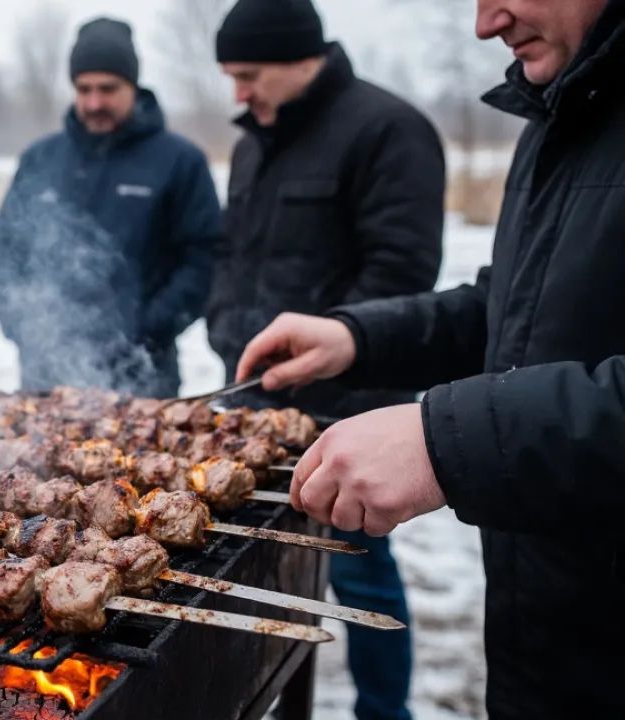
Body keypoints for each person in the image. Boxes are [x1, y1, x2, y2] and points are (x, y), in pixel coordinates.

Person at [234, 1, 625, 716]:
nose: (485, 22)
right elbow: (515, 308)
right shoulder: (565, 108)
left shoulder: (392, 128)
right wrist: (356, 338)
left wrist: (445, 438)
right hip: (560, 632)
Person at [209, 1, 447, 717]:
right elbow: (232, 253)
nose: (238, 94)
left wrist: (331, 347)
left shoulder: (388, 129)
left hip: (351, 408)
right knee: (254, 565)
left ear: (300, 57)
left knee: (361, 575)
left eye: (248, 75)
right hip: (256, 404)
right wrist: (226, 328)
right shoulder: (254, 142)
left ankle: (383, 710)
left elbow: (403, 271)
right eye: (230, 77)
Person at [0, 17, 221, 398]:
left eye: (107, 89)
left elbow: (203, 259)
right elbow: (7, 248)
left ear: (133, 86)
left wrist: (146, 330)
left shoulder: (180, 161)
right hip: (45, 375)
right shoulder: (40, 159)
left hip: (142, 376)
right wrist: (21, 324)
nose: (94, 102)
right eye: (83, 89)